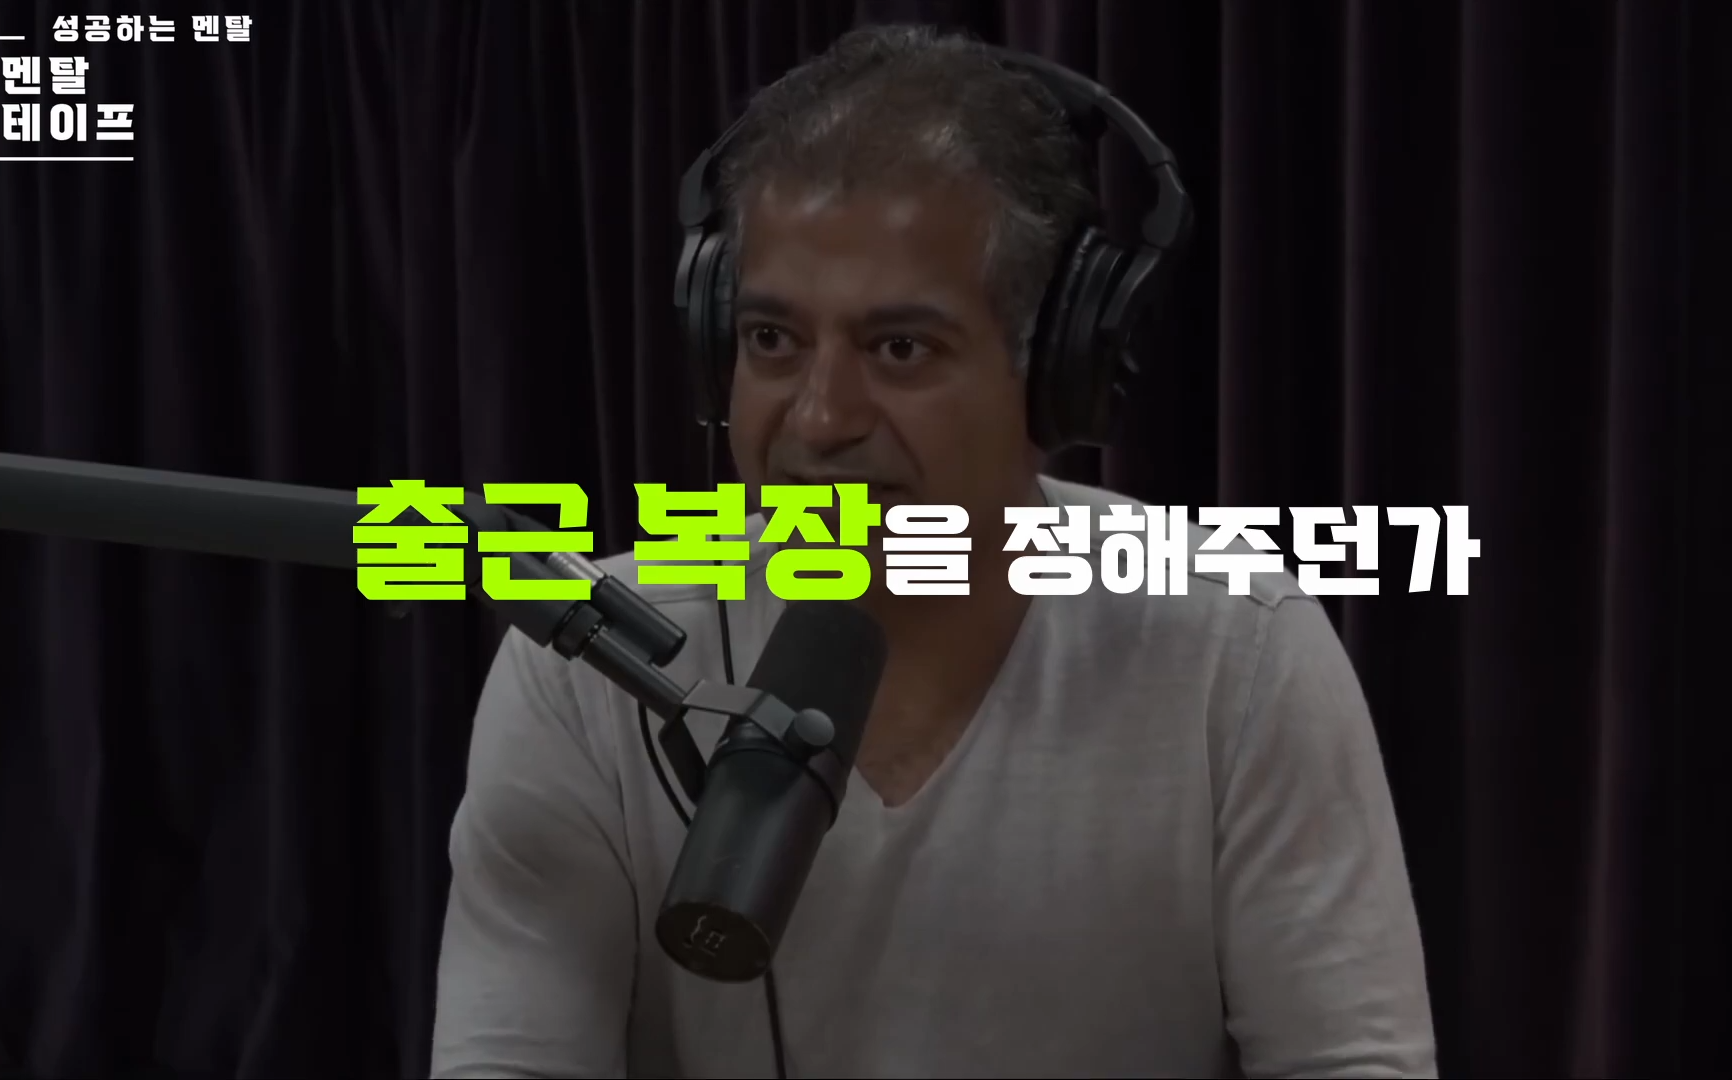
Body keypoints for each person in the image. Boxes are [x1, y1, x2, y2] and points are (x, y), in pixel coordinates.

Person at [431, 25, 1437, 1079]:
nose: (819, 418)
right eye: (772, 340)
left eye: (899, 348)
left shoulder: (1237, 651)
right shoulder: (585, 657)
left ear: (1054, 377)